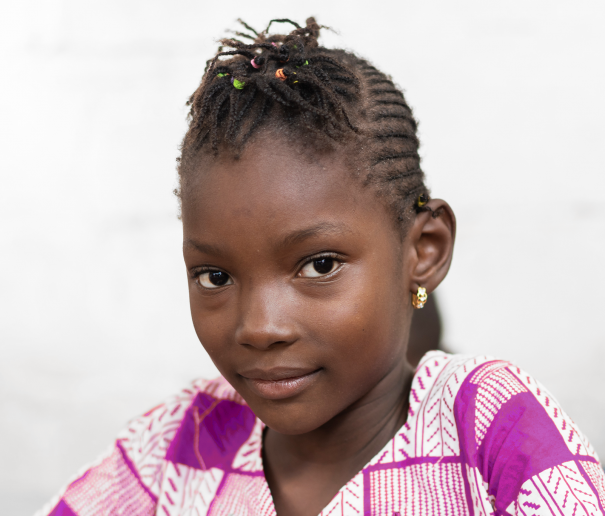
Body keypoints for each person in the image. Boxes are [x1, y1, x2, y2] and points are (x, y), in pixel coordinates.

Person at [36, 18, 605, 516]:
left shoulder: (486, 428)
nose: (260, 327)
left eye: (319, 265)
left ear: (424, 250)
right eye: (215, 277)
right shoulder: (182, 445)